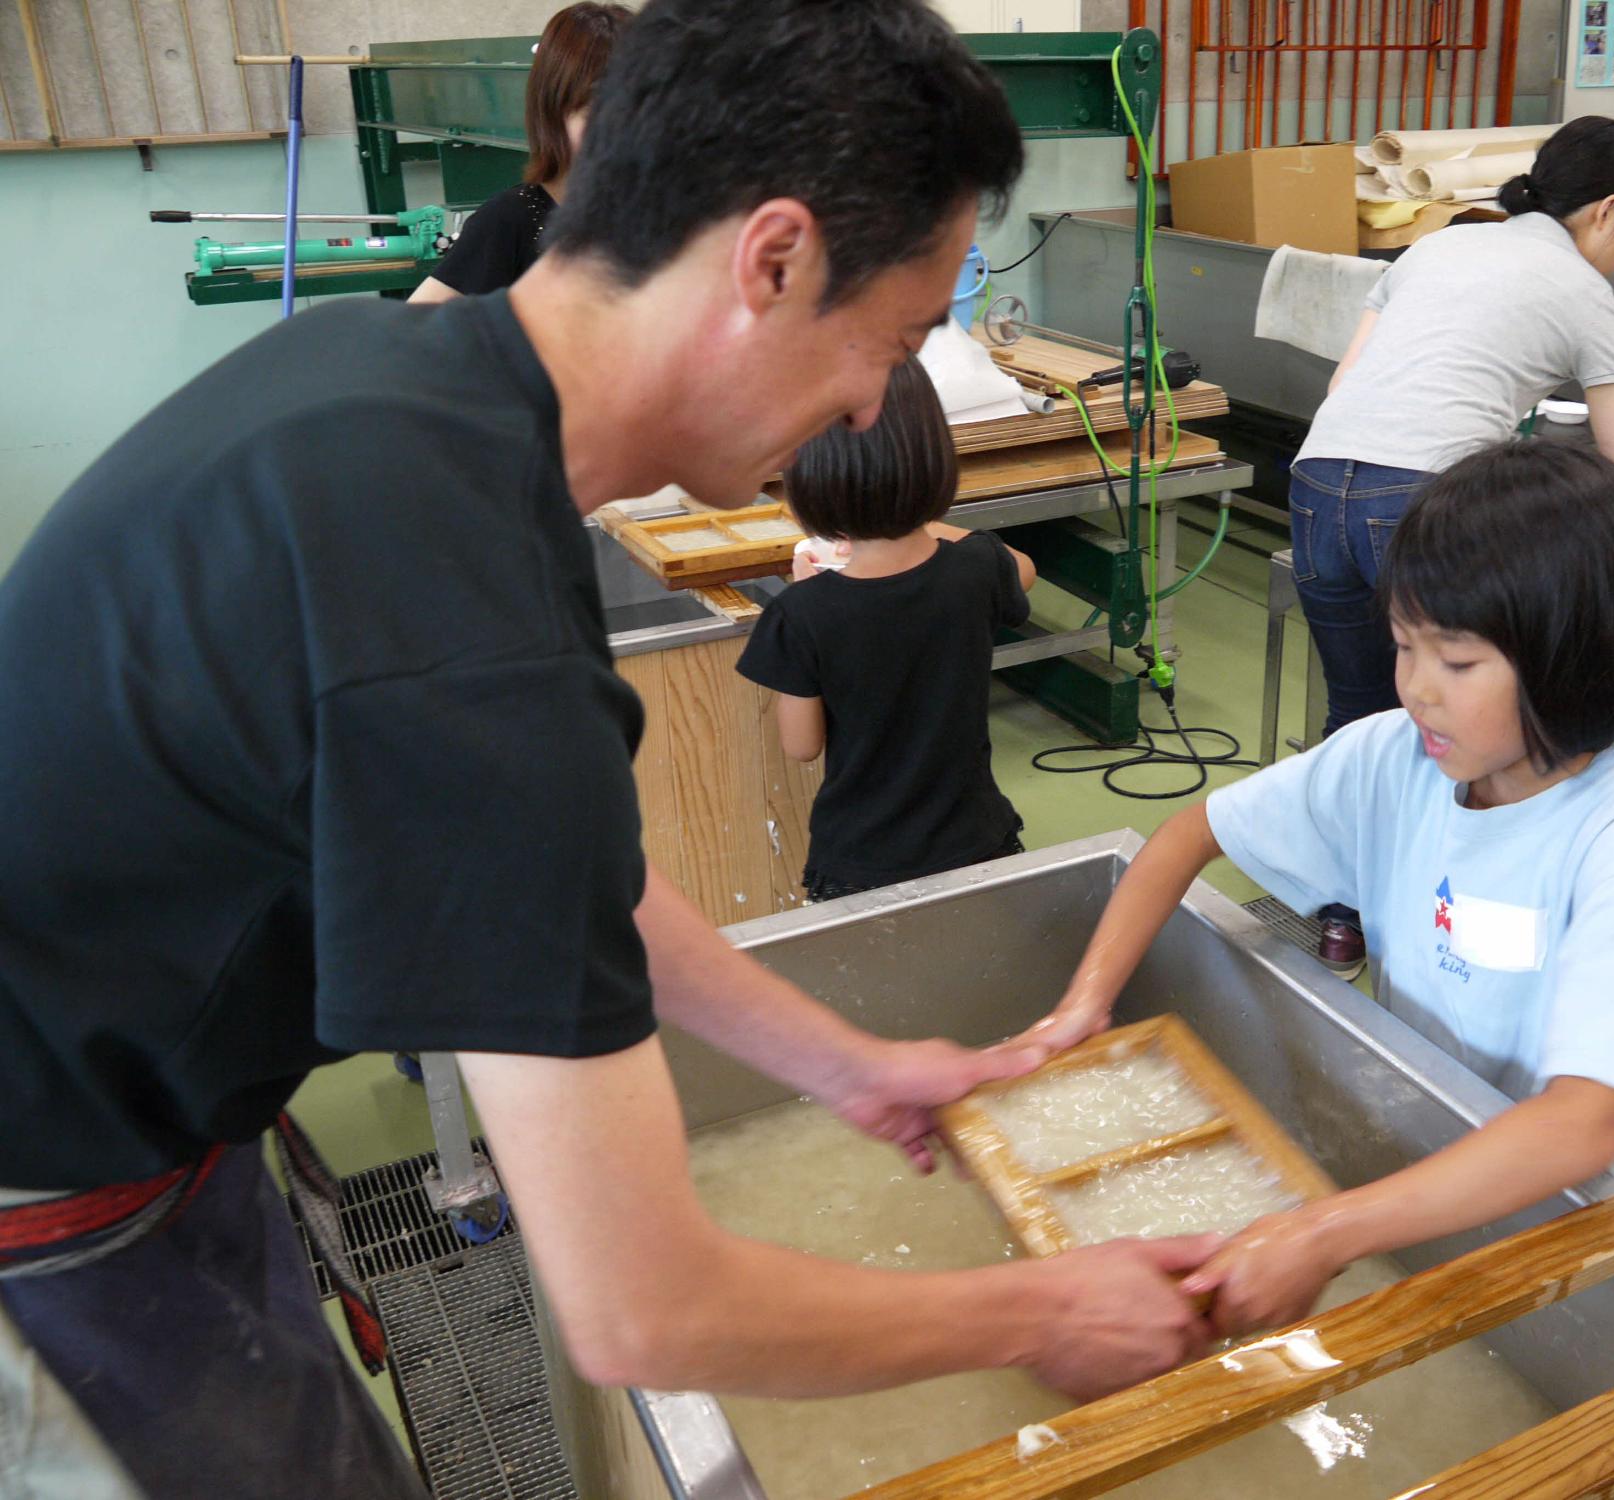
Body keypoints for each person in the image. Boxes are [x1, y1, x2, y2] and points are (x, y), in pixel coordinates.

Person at [0, 6, 1221, 1496]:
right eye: (895, 342)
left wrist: (844, 1064)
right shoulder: (459, 634)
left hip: (130, 1112)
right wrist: (1040, 1311)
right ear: (772, 260)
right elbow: (645, 1311)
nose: (870, 404)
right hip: (49, 1213)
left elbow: (573, 876)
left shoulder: (402, 383)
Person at [1027, 442, 1614, 1336]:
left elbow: (1583, 1125)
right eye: (1404, 646)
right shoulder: (1393, 759)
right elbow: (1190, 835)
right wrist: (1083, 1008)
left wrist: (1324, 1231)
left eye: (1457, 663)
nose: (1417, 689)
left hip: (1582, 1218)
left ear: (1572, 657)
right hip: (1431, 1164)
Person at [1289, 115, 1614, 976]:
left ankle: (1340, 918)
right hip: (1415, 502)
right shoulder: (1582, 291)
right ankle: (1432, 918)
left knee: (1357, 714)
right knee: (1448, 724)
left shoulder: (1439, 245)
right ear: (1607, 211)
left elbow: (1343, 381)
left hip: (1314, 483)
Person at [738, 359, 1038, 901]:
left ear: (810, 480)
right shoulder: (977, 569)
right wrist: (918, 520)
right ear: (933, 457)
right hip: (977, 838)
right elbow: (1022, 568)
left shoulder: (802, 613)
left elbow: (801, 746)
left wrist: (808, 595)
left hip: (863, 859)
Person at [405, 2, 631, 303]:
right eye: (594, 111)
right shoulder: (510, 220)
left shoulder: (664, 215)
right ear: (553, 112)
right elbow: (414, 324)